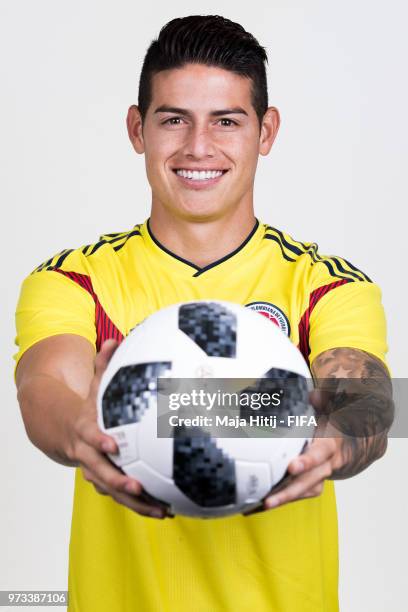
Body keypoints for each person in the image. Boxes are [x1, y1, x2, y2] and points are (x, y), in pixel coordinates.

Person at [14, 15, 393, 612]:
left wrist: (336, 440)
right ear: (137, 128)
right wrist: (77, 430)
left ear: (266, 131)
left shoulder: (325, 284)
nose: (198, 148)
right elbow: (44, 385)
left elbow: (370, 399)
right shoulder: (73, 280)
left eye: (227, 121)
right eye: (173, 119)